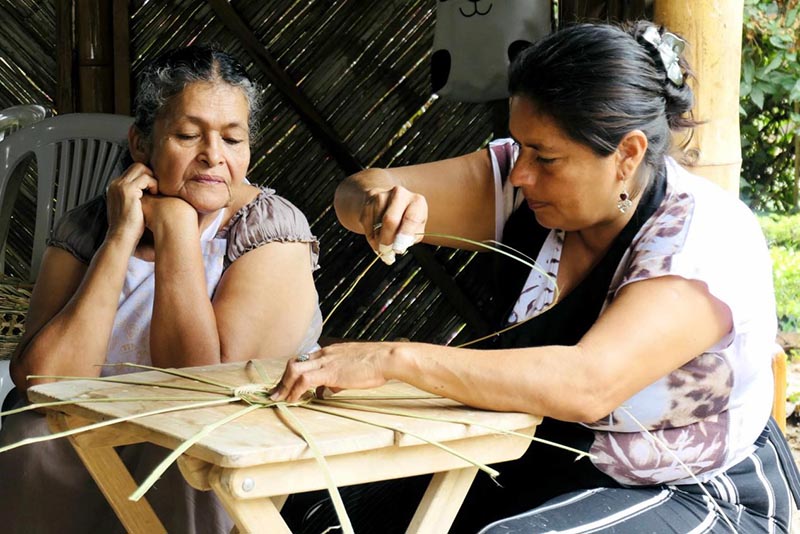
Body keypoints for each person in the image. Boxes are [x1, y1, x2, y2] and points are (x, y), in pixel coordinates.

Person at [272, 22, 800, 533]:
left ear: (627, 155)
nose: (522, 173)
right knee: (321, 510)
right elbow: (354, 191)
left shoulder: (702, 238)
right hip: (536, 465)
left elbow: (589, 385)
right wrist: (378, 205)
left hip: (693, 489)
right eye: (519, 146)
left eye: (546, 158)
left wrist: (394, 359)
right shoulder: (519, 182)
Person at [0, 44, 322, 533]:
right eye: (189, 135)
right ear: (141, 144)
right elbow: (44, 383)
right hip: (96, 432)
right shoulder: (88, 227)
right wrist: (119, 237)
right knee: (32, 434)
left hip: (205, 438)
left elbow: (204, 389)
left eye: (233, 140)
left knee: (181, 458)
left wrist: (175, 230)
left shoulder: (269, 230)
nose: (214, 156)